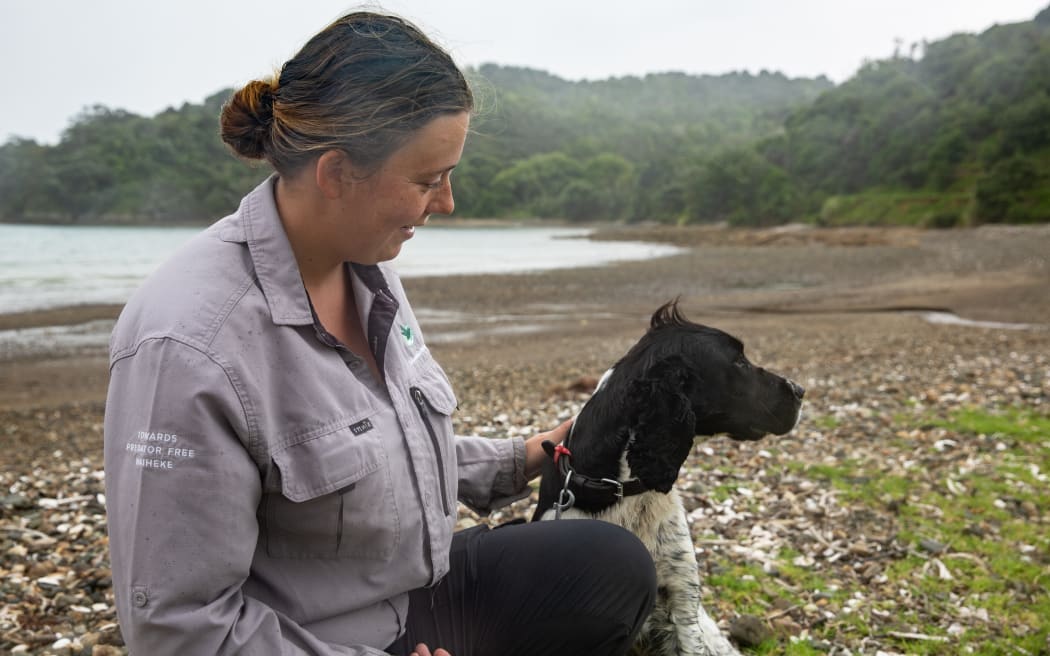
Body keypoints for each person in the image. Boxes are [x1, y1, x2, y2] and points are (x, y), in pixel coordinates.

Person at [103, 11, 656, 656]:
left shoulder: (365, 263)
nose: (446, 202)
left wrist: (526, 456)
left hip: (404, 594)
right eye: (427, 180)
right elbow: (177, 630)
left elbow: (380, 445)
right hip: (313, 639)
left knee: (610, 566)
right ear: (336, 173)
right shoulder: (189, 348)